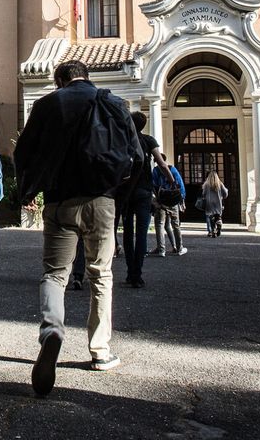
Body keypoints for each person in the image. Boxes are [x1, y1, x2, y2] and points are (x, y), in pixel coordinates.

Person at [14, 60, 143, 396]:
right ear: (87, 76)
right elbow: (137, 156)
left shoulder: (47, 105)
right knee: (101, 275)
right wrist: (118, 197)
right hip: (102, 201)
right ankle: (100, 351)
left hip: (59, 201)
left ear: (60, 80)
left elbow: (23, 152)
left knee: (55, 274)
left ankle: (52, 331)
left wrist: (29, 191)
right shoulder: (111, 102)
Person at [123, 111, 174, 288]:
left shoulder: (125, 140)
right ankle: (138, 274)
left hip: (126, 191)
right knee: (142, 233)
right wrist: (172, 180)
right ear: (143, 125)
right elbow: (161, 163)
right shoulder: (148, 140)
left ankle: (130, 272)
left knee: (128, 233)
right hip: (144, 191)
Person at [150, 155, 187, 256]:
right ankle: (179, 248)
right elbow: (180, 184)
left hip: (162, 201)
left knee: (160, 225)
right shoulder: (172, 169)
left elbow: (153, 186)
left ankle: (161, 250)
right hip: (173, 201)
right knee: (176, 225)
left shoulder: (155, 171)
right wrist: (182, 199)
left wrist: (157, 199)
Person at [202, 171, 228, 237]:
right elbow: (225, 193)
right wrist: (223, 196)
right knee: (218, 216)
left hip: (209, 203)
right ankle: (219, 225)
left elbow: (203, 194)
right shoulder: (220, 184)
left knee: (211, 217)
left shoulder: (206, 184)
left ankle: (213, 231)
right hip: (218, 203)